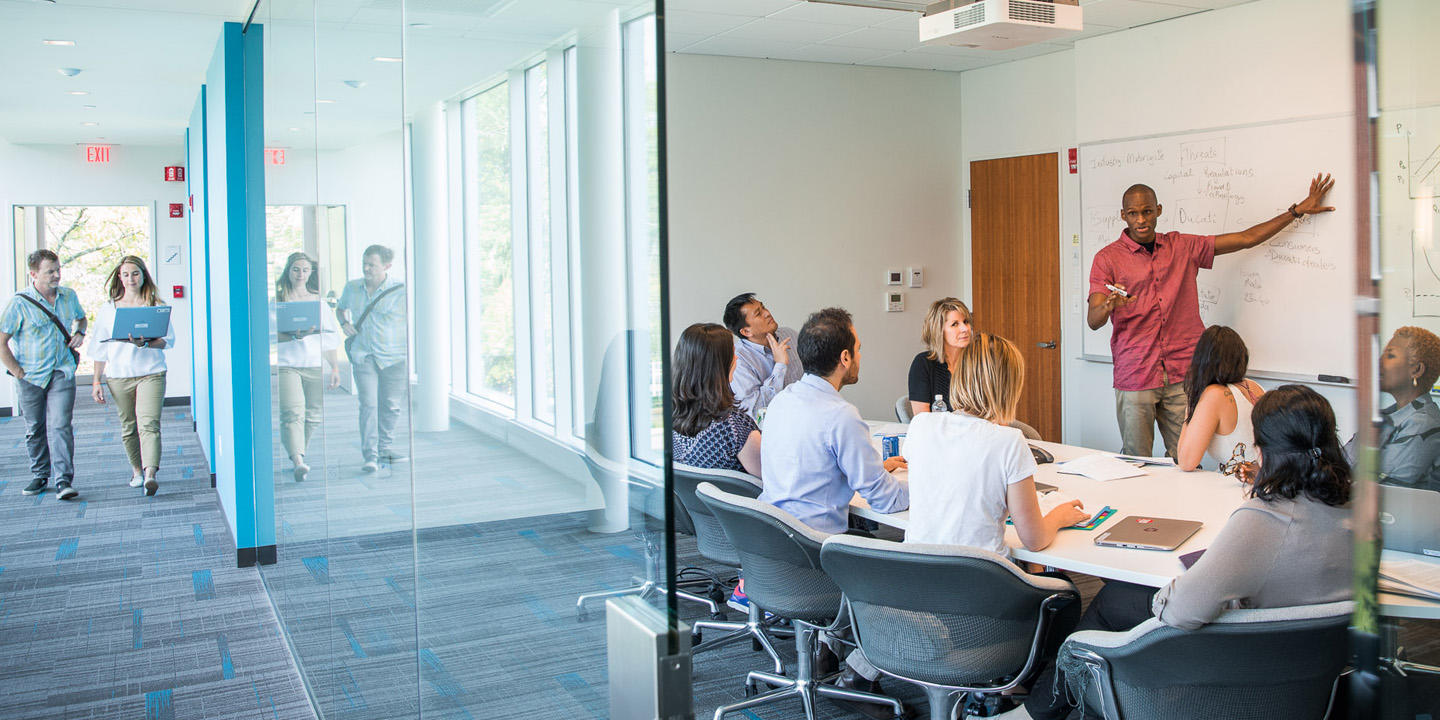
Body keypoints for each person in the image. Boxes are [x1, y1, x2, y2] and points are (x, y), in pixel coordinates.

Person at [1025, 384, 1353, 719]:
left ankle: (1039, 711)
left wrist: (1176, 587)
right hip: (1310, 677)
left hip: (1245, 663)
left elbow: (1182, 611)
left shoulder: (1265, 517)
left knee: (1116, 601)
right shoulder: (1358, 510)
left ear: (1263, 450)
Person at [1087, 174, 1336, 458]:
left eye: (1147, 211)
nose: (1141, 220)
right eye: (1133, 213)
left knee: (1185, 458)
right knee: (1135, 458)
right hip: (1136, 372)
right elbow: (1093, 320)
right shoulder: (1107, 258)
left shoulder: (1182, 247)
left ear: (1159, 210)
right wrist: (1108, 305)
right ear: (1123, 215)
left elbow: (1246, 239)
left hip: (1183, 372)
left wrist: (1297, 211)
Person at [758, 307, 908, 717]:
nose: (860, 355)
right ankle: (860, 673)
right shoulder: (841, 416)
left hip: (773, 551)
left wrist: (867, 464)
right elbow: (885, 500)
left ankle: (827, 647)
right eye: (857, 348)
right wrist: (928, 490)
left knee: (868, 542)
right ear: (844, 358)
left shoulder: (784, 401)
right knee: (909, 562)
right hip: (817, 558)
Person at [905, 332, 1089, 552]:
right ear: (1008, 388)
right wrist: (1059, 516)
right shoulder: (1009, 442)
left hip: (916, 574)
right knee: (1062, 585)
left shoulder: (922, 424)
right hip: (981, 578)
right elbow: (1035, 539)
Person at [0, 249, 87, 501]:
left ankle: (63, 480)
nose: (57, 274)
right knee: (35, 427)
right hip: (30, 376)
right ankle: (40, 474)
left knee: (61, 425)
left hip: (61, 371)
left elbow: (81, 320)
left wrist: (80, 333)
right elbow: (2, 340)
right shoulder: (18, 303)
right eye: (50, 271)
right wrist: (17, 371)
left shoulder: (69, 296)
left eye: (58, 269)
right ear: (33, 274)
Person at [88, 255, 175, 497]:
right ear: (119, 277)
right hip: (119, 376)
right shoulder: (108, 309)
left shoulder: (155, 305)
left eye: (135, 273)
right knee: (129, 426)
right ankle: (137, 470)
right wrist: (96, 380)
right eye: (125, 274)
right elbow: (99, 349)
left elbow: (167, 341)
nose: (130, 278)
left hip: (151, 373)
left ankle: (150, 474)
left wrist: (145, 344)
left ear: (143, 275)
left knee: (149, 424)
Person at [337, 244, 408, 473]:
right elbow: (340, 309)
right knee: (368, 404)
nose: (366, 268)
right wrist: (344, 323)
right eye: (364, 263)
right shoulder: (352, 287)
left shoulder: (401, 290)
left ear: (386, 266)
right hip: (364, 354)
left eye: (372, 265)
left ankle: (385, 449)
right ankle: (371, 455)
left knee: (390, 405)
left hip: (394, 356)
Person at [1346, 326, 1440, 490]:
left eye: (1390, 355)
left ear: (1416, 370)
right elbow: (1340, 464)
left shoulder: (1424, 423)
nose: (1379, 362)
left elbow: (1381, 490)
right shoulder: (1385, 416)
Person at [275, 252, 341, 482]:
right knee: (292, 412)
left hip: (314, 364)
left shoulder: (318, 302)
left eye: (305, 270)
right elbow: (268, 336)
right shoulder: (278, 301)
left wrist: (334, 368)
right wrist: (294, 336)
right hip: (288, 365)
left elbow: (330, 339)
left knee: (313, 416)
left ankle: (299, 452)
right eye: (296, 269)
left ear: (310, 273)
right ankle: (298, 461)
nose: (300, 274)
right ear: (288, 271)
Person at [672, 323, 762, 476]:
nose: (736, 357)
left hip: (696, 500)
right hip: (742, 500)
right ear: (719, 366)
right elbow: (773, 477)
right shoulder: (736, 428)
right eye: (732, 353)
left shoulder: (669, 420)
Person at [1175, 325, 1265, 472]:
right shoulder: (1254, 386)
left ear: (1202, 360)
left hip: (1240, 485)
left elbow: (1186, 462)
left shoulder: (1214, 395)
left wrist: (1192, 403)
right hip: (1263, 479)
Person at [722, 292, 803, 420]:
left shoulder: (790, 334)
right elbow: (756, 413)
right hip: (774, 430)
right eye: (758, 313)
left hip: (807, 416)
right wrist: (780, 366)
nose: (767, 313)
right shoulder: (738, 360)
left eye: (763, 307)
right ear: (746, 331)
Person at [906, 297, 973, 417]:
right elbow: (923, 421)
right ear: (938, 330)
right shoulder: (923, 364)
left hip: (977, 432)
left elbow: (995, 412)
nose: (965, 329)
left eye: (966, 322)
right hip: (940, 434)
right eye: (955, 324)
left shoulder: (978, 362)